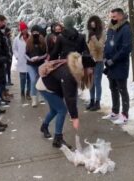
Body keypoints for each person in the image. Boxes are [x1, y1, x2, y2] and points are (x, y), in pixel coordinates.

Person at [38, 16, 94, 148]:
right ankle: (58, 139)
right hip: (45, 86)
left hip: (50, 83)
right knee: (62, 110)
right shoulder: (69, 72)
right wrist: (74, 117)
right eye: (88, 70)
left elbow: (55, 52)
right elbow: (70, 97)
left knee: (55, 110)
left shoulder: (62, 40)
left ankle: (44, 126)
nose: (88, 73)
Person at [102, 8, 132, 125]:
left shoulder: (125, 29)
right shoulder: (111, 28)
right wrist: (105, 56)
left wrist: (113, 60)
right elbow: (107, 44)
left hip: (120, 65)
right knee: (113, 88)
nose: (112, 19)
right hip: (110, 65)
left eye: (114, 17)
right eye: (111, 17)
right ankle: (115, 111)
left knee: (122, 90)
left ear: (120, 16)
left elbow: (126, 48)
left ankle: (124, 114)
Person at [86, 15, 105, 111]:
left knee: (97, 82)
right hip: (90, 61)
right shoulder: (89, 34)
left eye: (94, 22)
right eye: (91, 23)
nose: (92, 24)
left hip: (98, 61)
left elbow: (100, 46)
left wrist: (93, 37)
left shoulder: (102, 33)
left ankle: (98, 102)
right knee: (91, 82)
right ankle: (92, 101)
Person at [26, 25, 48, 107]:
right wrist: (30, 59)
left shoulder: (42, 40)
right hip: (31, 64)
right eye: (33, 32)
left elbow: (46, 53)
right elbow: (25, 53)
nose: (35, 33)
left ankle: (41, 96)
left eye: (36, 31)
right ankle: (34, 99)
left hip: (40, 64)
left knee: (40, 80)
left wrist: (39, 57)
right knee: (33, 80)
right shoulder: (29, 41)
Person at [0, 15, 12, 105]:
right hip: (0, 59)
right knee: (1, 80)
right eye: (3, 21)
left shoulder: (1, 32)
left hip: (4, 58)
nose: (5, 23)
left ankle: (2, 96)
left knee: (3, 79)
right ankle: (0, 97)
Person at [13, 21, 31, 100]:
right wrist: (17, 56)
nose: (25, 30)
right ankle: (22, 92)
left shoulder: (31, 37)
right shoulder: (17, 39)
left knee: (30, 78)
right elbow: (14, 48)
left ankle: (28, 93)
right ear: (21, 30)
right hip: (21, 61)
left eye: (26, 29)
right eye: (23, 29)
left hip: (30, 60)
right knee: (23, 79)